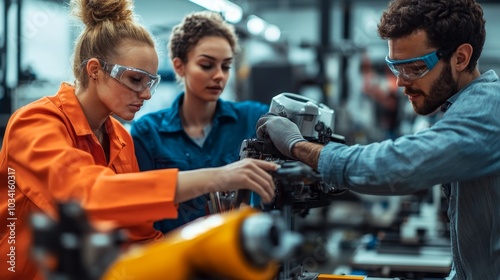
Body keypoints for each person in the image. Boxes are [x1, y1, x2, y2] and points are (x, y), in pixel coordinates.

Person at [0, 1, 277, 279]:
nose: (146, 95)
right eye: (135, 80)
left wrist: (196, 261)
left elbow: (138, 233)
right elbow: (85, 196)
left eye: (150, 83)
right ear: (94, 70)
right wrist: (218, 177)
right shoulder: (34, 122)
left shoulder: (120, 137)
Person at [256, 0, 500, 279]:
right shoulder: (465, 107)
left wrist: (298, 146)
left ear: (460, 58)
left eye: (414, 68)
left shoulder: (489, 109)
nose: (399, 82)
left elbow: (398, 167)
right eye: (395, 67)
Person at [131, 11, 269, 233]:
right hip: (176, 259)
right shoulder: (148, 132)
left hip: (241, 255)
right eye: (207, 65)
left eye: (225, 66)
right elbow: (142, 207)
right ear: (179, 66)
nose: (219, 76)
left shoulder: (253, 118)